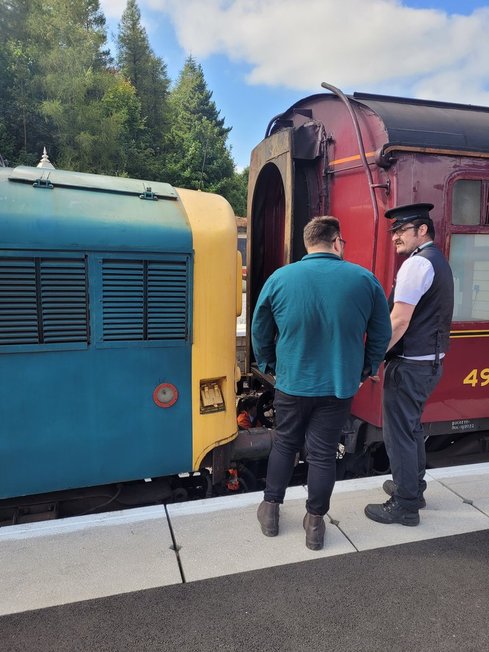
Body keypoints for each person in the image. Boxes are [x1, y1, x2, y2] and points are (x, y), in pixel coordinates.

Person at [252, 216, 392, 550]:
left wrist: (271, 363)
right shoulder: (363, 279)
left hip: (293, 382)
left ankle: (270, 511)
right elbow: (381, 331)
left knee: (285, 443)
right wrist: (365, 367)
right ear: (337, 241)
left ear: (308, 243)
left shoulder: (281, 278)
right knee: (324, 454)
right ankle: (315, 523)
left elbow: (260, 328)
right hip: (338, 385)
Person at [365, 203, 454, 526]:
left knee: (399, 432)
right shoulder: (437, 261)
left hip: (410, 365)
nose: (394, 237)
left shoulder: (417, 266)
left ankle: (404, 505)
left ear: (422, 230)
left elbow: (399, 320)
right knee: (412, 427)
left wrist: (373, 358)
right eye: (393, 232)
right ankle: (413, 487)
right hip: (427, 363)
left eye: (401, 231)